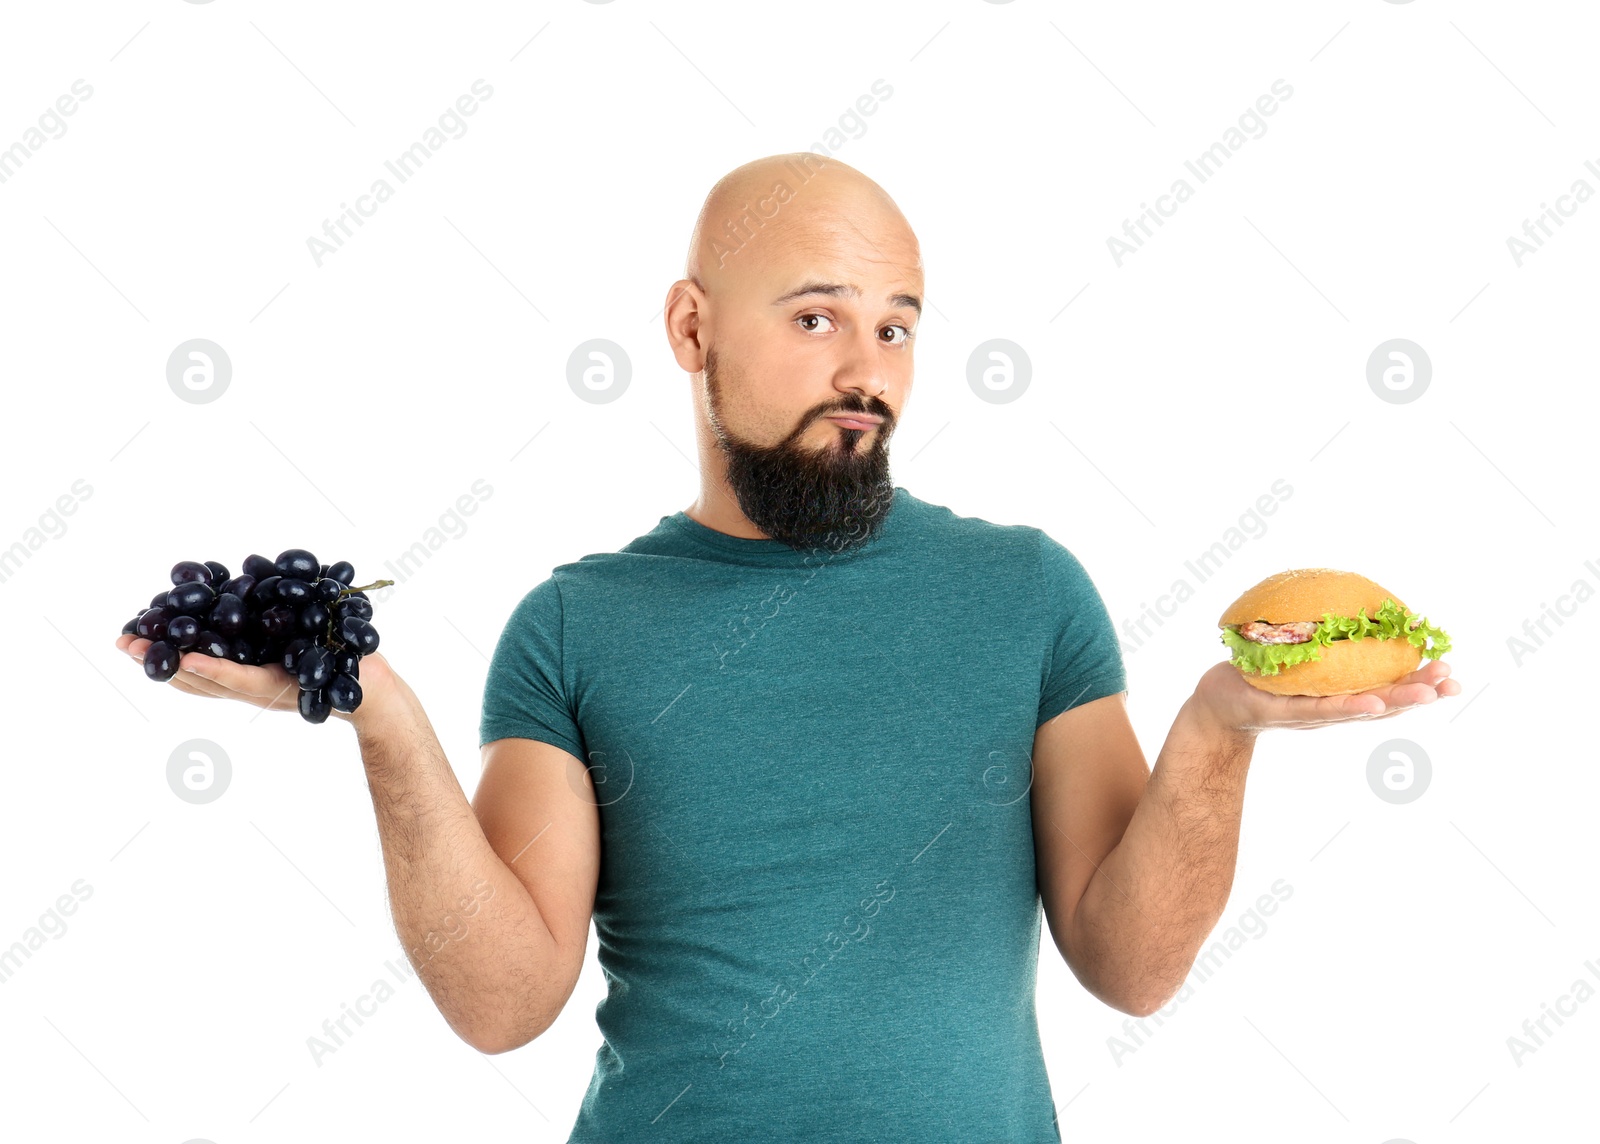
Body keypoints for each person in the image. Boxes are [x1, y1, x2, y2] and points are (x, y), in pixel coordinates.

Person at [115, 152, 1459, 1142]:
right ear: (691, 329)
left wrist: (1218, 731)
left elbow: (1133, 964)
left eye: (896, 326)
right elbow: (504, 1003)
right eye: (815, 318)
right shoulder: (575, 627)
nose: (864, 369)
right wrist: (386, 725)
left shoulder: (1030, 594)